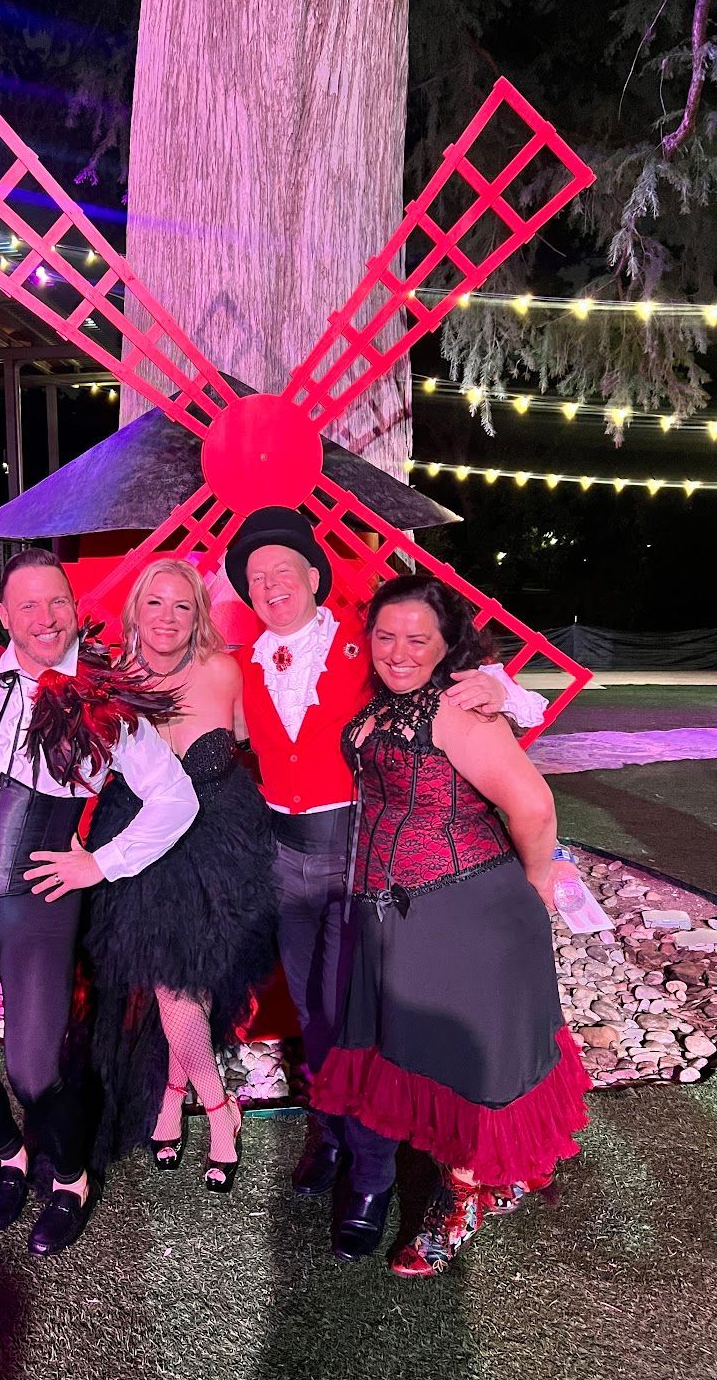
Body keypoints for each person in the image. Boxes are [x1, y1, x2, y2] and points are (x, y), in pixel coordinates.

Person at [223, 505, 549, 1260]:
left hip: (360, 856)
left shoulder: (372, 648)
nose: (270, 585)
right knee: (312, 1011)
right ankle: (335, 1137)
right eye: (255, 575)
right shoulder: (238, 661)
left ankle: (371, 1177)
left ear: (314, 576)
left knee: (359, 1025)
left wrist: (511, 694)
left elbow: (464, 680)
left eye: (284, 570)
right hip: (284, 857)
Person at [0, 548, 198, 1256]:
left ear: (74, 608)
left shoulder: (106, 706)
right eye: (27, 604)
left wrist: (101, 864)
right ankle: (11, 1157)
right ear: (3, 616)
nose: (45, 617)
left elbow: (174, 799)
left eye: (56, 601)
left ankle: (70, 1180)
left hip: (39, 910)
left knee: (35, 1070)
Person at [312, 573, 590, 1276]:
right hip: (393, 915)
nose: (398, 652)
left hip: (467, 912)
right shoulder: (382, 706)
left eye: (417, 639)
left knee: (468, 1071)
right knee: (426, 1063)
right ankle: (466, 1183)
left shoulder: (463, 709)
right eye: (385, 636)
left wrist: (534, 890)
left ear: (445, 646)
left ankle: (460, 1202)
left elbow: (532, 807)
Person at [84, 558, 275, 1191]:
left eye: (182, 606)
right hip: (138, 844)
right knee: (171, 984)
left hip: (219, 842)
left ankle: (181, 1094)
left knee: (189, 981)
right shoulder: (108, 680)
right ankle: (217, 1106)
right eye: (156, 603)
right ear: (134, 609)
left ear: (199, 617)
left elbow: (272, 733)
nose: (167, 617)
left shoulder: (224, 672)